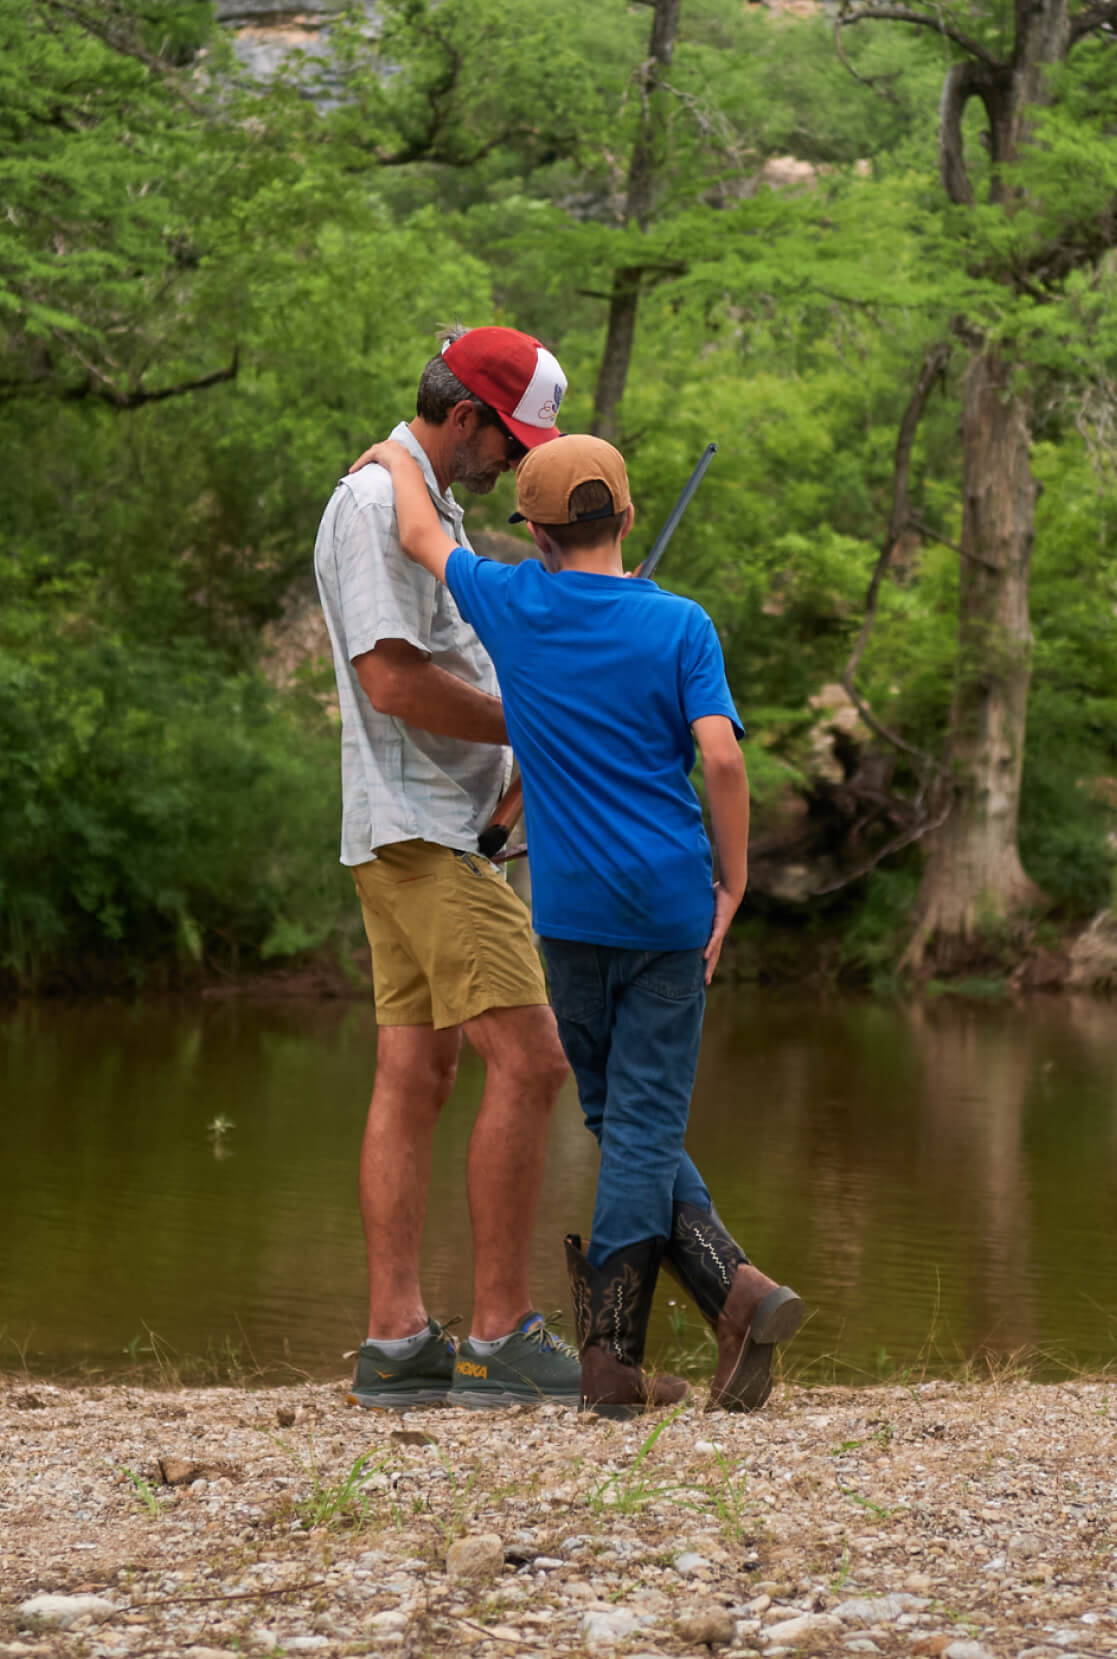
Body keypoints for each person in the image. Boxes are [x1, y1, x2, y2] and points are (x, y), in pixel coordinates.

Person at [364, 430, 804, 1419]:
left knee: (619, 1116)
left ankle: (716, 1309)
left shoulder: (510, 605)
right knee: (634, 1120)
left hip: (568, 915)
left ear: (533, 528)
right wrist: (731, 884)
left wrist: (398, 461)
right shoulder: (681, 625)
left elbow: (424, 535)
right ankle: (634, 1347)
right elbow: (722, 761)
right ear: (629, 518)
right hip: (669, 903)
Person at [313, 326, 582, 1411]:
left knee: (416, 1075)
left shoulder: (420, 497)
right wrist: (527, 722)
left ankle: (396, 1342)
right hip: (423, 833)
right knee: (533, 1062)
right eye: (512, 441)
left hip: (425, 828)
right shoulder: (380, 505)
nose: (518, 465)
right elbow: (389, 680)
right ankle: (500, 1333)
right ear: (463, 415)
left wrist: (514, 755)